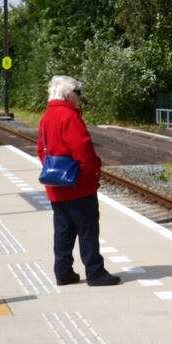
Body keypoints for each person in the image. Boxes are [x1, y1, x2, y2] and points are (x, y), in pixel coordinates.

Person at [37, 75, 120, 286]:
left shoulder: (47, 116)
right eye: (78, 92)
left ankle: (63, 272)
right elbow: (83, 150)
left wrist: (55, 171)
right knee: (87, 229)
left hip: (56, 185)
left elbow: (41, 149)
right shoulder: (69, 116)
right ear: (67, 94)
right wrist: (92, 172)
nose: (79, 97)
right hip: (78, 185)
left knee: (63, 231)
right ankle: (95, 272)